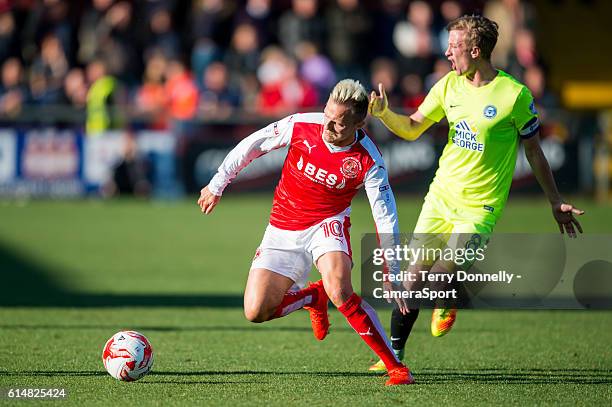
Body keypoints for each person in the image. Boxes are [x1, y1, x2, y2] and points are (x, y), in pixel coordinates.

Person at [367, 15, 584, 372]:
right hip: (441, 198)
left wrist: (554, 201)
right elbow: (411, 129)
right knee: (411, 280)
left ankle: (449, 294)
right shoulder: (447, 85)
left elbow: (534, 152)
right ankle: (393, 358)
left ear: (476, 49)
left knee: (437, 278)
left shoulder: (514, 94)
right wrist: (384, 113)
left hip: (479, 208)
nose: (447, 53)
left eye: (454, 47)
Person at [197, 79, 413, 386]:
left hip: (328, 223)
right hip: (282, 226)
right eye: (328, 116)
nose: (329, 127)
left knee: (339, 289)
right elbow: (253, 145)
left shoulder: (369, 160)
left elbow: (385, 214)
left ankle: (396, 367)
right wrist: (218, 184)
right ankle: (312, 296)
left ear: (359, 123)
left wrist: (392, 268)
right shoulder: (301, 125)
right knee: (255, 311)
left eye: (339, 125)